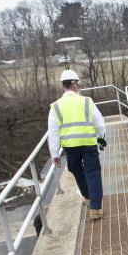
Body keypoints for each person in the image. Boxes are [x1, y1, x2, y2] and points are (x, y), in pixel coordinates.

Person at [47, 69, 107, 220]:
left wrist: (55, 154)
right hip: (88, 143)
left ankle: (87, 197)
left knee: (75, 168)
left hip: (70, 147)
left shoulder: (56, 106)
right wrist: (101, 140)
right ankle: (95, 208)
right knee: (93, 173)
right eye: (77, 83)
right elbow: (99, 123)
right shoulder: (86, 101)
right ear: (73, 84)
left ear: (63, 85)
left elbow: (53, 132)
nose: (78, 86)